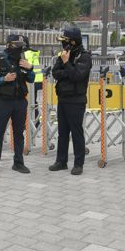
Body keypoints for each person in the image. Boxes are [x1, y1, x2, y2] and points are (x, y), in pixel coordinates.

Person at [0, 34, 34, 174]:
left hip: (20, 101)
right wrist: (3, 79)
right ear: (9, 45)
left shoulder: (22, 60)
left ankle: (18, 163)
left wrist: (30, 68)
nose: (19, 48)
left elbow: (31, 79)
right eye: (16, 45)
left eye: (21, 45)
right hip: (3, 102)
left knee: (19, 133)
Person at [49, 26, 92, 175]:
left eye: (65, 41)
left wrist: (67, 64)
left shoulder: (84, 56)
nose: (63, 44)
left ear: (73, 42)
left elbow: (77, 76)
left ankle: (78, 163)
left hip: (76, 99)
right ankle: (61, 161)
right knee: (62, 132)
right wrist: (67, 68)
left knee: (76, 132)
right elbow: (55, 73)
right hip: (63, 98)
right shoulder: (64, 54)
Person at [23, 35, 43, 123]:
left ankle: (32, 122)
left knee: (28, 101)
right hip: (38, 79)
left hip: (31, 80)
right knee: (33, 101)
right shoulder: (32, 52)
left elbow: (26, 68)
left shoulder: (25, 54)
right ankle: (35, 121)